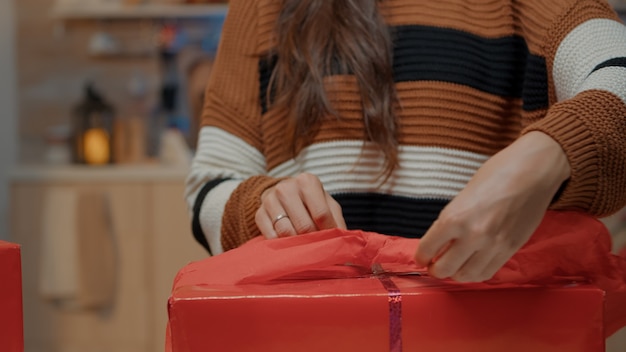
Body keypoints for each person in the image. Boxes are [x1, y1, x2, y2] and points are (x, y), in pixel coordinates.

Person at [185, 0, 626, 283]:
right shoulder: (263, 7)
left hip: (492, 330)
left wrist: (546, 156)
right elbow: (210, 183)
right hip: (313, 331)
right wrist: (264, 207)